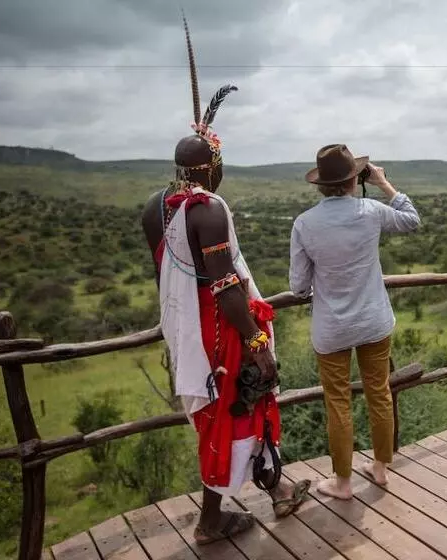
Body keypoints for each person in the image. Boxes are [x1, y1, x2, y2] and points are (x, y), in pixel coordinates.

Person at [140, 13, 309, 545]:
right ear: (211, 164)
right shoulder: (208, 208)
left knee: (234, 408)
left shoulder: (155, 206)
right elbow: (224, 285)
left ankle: (277, 491)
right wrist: (256, 340)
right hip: (221, 329)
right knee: (237, 405)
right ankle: (211, 520)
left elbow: (169, 274)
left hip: (187, 328)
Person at [289, 144, 421, 499]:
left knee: (338, 402)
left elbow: (298, 287)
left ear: (320, 184)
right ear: (354, 180)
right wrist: (384, 183)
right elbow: (412, 219)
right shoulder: (371, 211)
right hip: (374, 321)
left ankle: (343, 482)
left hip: (332, 328)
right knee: (379, 393)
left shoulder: (305, 224)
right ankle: (380, 468)